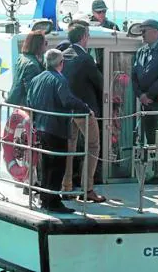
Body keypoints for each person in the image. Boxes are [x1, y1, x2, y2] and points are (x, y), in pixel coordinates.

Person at [27, 49, 91, 214]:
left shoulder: (36, 79)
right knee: (58, 166)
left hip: (41, 127)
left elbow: (29, 101)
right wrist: (85, 107)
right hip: (56, 128)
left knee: (47, 164)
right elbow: (67, 100)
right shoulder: (59, 79)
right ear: (60, 64)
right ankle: (53, 201)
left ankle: (45, 198)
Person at [60, 24, 106, 203]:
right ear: (84, 37)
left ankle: (66, 187)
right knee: (93, 147)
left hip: (65, 112)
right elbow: (100, 82)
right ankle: (87, 189)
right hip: (84, 111)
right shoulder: (85, 59)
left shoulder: (63, 56)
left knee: (69, 149)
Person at [131, 19, 158, 184]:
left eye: (145, 30)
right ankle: (152, 170)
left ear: (156, 32)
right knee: (148, 138)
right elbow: (134, 75)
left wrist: (149, 94)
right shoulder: (141, 51)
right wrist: (140, 95)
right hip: (145, 103)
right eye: (141, 30)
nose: (142, 34)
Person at [6, 31, 47, 107]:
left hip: (17, 101)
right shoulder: (32, 66)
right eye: (45, 43)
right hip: (24, 106)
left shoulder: (22, 58)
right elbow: (31, 91)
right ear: (38, 45)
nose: (46, 46)